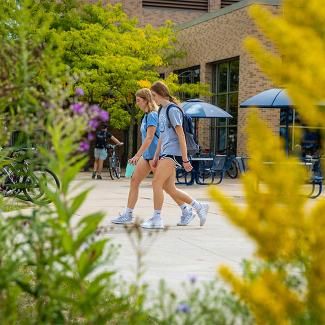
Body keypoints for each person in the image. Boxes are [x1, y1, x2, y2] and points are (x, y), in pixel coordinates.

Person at [111, 88, 194, 225]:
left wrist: (137, 155)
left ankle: (187, 210)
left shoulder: (153, 115)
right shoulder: (145, 116)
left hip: (159, 156)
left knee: (168, 187)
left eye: (138, 101)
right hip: (148, 155)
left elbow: (150, 138)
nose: (137, 103)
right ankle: (128, 214)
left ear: (146, 100)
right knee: (134, 181)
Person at [140, 81, 209, 229]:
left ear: (161, 93)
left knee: (156, 183)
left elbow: (181, 135)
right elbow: (163, 136)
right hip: (165, 152)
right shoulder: (161, 111)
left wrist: (184, 159)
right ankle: (198, 207)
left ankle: (157, 218)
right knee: (169, 188)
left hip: (173, 153)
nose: (153, 99)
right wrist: (156, 155)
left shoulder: (172, 110)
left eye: (154, 95)